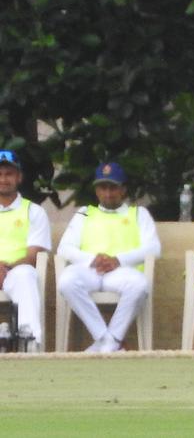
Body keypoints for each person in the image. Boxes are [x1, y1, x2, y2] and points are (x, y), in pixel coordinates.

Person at [56, 162, 161, 352]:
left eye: (113, 187)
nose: (108, 193)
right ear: (96, 190)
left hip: (122, 272)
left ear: (123, 190)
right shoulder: (85, 213)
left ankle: (107, 342)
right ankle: (107, 340)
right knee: (66, 281)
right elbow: (65, 248)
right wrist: (93, 260)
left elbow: (154, 248)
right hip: (90, 270)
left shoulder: (138, 214)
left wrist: (118, 260)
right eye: (103, 188)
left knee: (139, 285)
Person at [0, 150, 50, 351]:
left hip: (15, 271)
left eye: (9, 174)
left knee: (26, 275)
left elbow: (33, 255)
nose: (3, 179)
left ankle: (30, 342)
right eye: (0, 174)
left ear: (19, 177)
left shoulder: (34, 211)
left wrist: (5, 267)